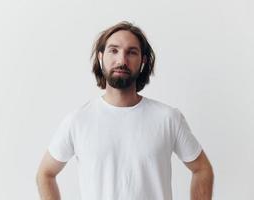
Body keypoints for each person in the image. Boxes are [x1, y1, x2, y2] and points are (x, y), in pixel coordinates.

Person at [36, 21, 214, 200]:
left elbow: (202, 169)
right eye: (114, 50)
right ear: (100, 57)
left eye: (131, 52)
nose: (122, 60)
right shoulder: (77, 121)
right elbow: (45, 174)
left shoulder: (168, 118)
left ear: (143, 61)